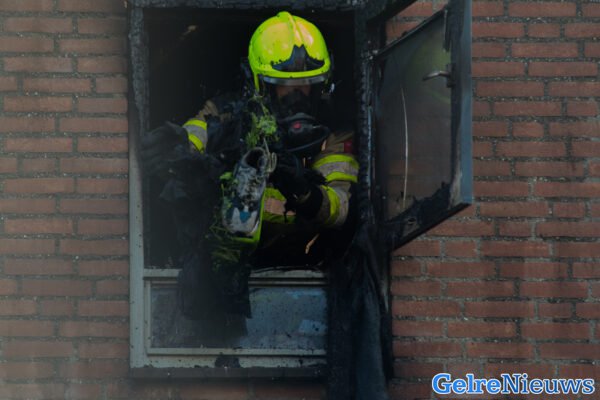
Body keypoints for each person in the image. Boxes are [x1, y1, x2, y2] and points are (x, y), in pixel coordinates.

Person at [142, 11, 357, 318]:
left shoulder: (334, 132)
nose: (298, 95)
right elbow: (194, 138)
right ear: (260, 84)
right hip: (223, 270)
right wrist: (176, 147)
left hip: (300, 276)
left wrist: (303, 189)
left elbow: (340, 208)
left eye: (307, 85)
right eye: (285, 86)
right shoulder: (226, 113)